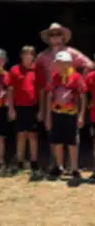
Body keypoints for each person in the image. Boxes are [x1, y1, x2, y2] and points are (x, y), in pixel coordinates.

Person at [36, 23, 92, 122]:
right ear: (49, 38)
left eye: (58, 34)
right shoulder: (42, 56)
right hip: (50, 97)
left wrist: (80, 82)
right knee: (52, 130)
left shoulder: (71, 52)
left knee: (71, 130)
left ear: (63, 36)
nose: (55, 36)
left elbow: (89, 65)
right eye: (52, 34)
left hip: (70, 96)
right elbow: (33, 72)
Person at [45, 51, 86, 180]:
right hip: (56, 113)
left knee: (72, 142)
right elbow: (49, 96)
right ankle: (59, 167)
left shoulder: (76, 77)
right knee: (57, 141)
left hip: (71, 114)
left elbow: (83, 95)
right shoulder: (54, 77)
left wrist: (81, 115)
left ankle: (74, 168)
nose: (59, 65)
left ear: (68, 63)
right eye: (58, 62)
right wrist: (48, 116)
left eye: (62, 62)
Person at [8, 46, 41, 179]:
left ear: (34, 56)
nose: (28, 56)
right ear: (21, 56)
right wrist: (10, 108)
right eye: (25, 54)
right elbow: (10, 90)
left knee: (32, 136)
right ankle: (20, 162)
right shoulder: (15, 70)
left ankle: (34, 162)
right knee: (20, 135)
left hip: (33, 107)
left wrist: (42, 110)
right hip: (19, 107)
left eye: (31, 54)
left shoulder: (37, 70)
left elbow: (42, 91)